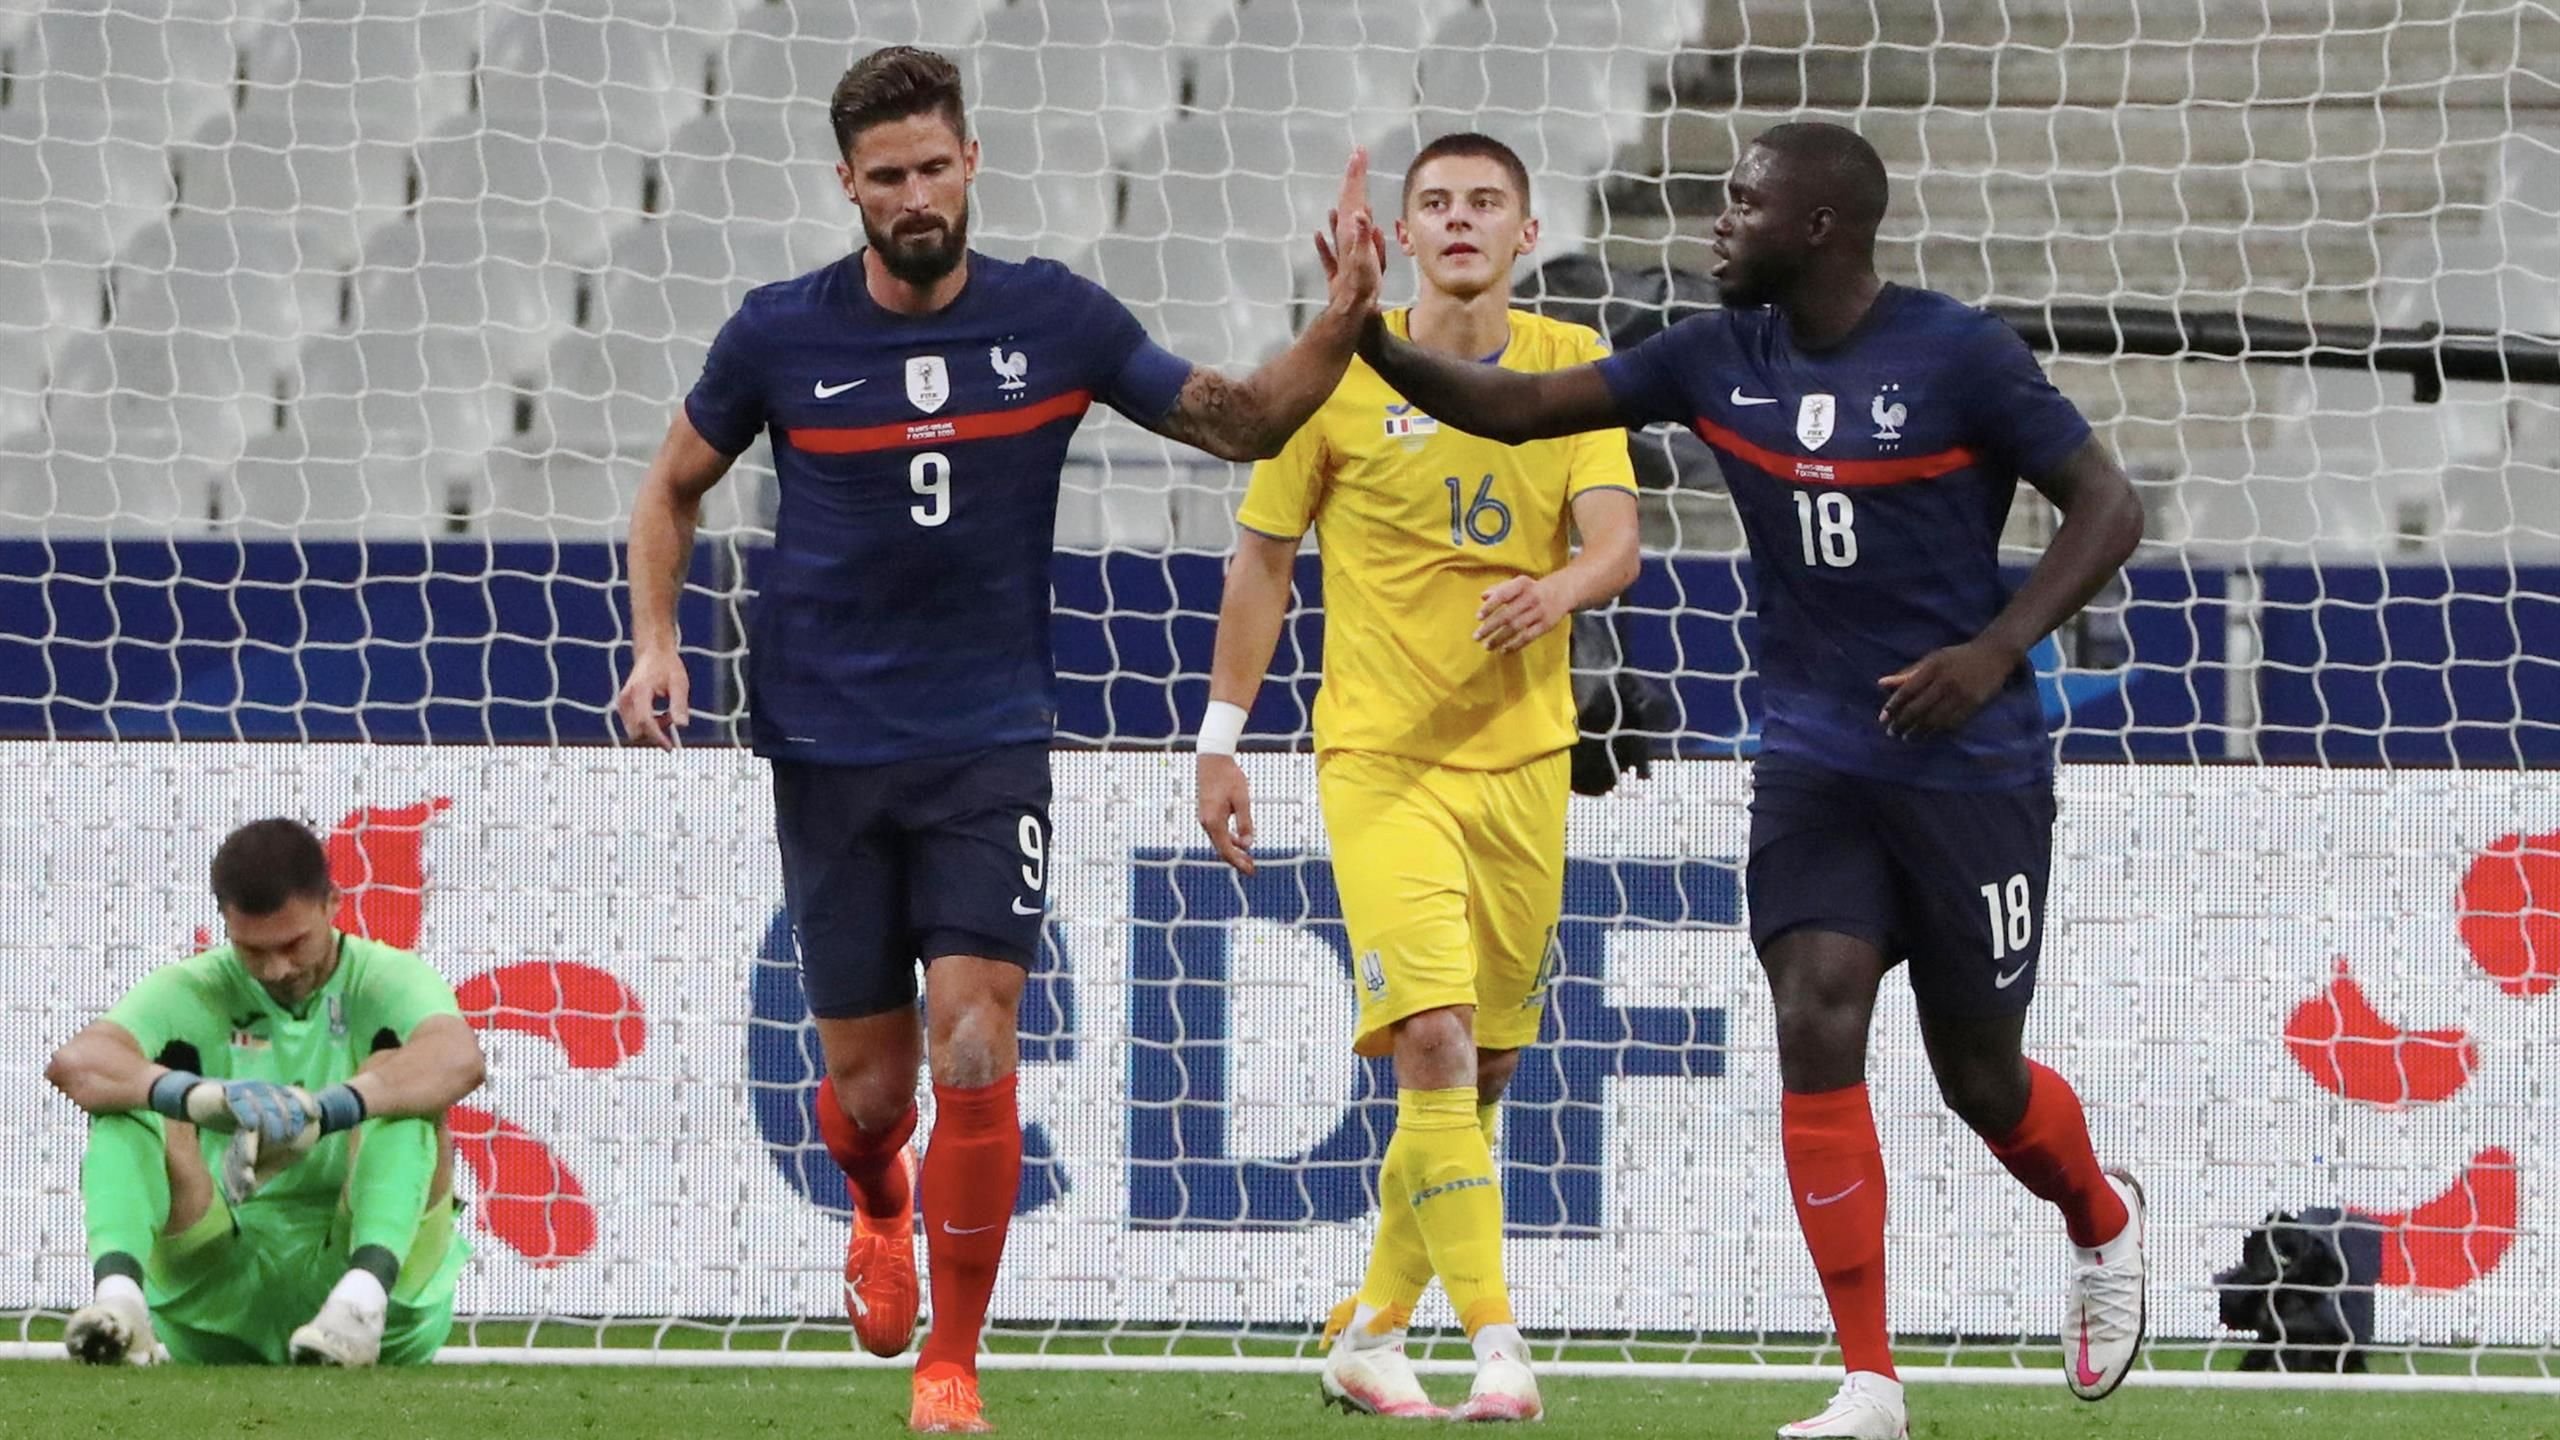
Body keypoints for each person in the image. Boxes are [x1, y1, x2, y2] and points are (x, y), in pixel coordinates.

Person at [1329, 121, 2150, 1440]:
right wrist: (1363, 334)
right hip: (1815, 762)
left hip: (1968, 769)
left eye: (1742, 202)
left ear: (1818, 226)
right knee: (1814, 1017)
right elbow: (1517, 407)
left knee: (1979, 1080)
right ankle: (1869, 1383)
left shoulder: (1960, 354)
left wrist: (1997, 650)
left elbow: (2108, 506)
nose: (1717, 222)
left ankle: (2101, 1222)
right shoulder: (1715, 355)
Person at [612, 45, 1384, 1435]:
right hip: (826, 745)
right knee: (869, 1094)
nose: (914, 195)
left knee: (976, 1038)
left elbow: (1241, 422)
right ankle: (878, 1203)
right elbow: (671, 487)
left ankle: (952, 1366)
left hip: (988, 741)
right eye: (886, 176)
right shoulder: (778, 335)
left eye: (932, 167)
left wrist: (1339, 323)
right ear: (847, 184)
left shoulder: (1054, 318)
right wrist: (657, 641)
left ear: (971, 163)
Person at [1197, 131, 1638, 1423]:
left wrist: (1556, 590)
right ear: (1401, 234)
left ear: (1526, 232)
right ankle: (1499, 1347)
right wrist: (1219, 739)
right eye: (1435, 202)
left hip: (1526, 762)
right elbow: (1263, 556)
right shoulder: (1338, 373)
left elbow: (1616, 543)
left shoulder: (1571, 364)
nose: (1459, 220)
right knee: (1431, 1039)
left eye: (1484, 202)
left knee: (1483, 1069)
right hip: (1380, 757)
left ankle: (1373, 1330)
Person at [44, 818, 484, 1369]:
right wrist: (196, 1097)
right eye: (252, 949)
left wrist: (327, 1110)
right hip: (220, 1284)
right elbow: (78, 1064)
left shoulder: (386, 977)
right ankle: (120, 1305)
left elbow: (459, 1060)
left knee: (404, 1087)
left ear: (332, 904)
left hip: (376, 1289)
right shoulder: (198, 986)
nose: (276, 968)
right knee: (128, 1103)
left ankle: (361, 1302)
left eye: (294, 944)